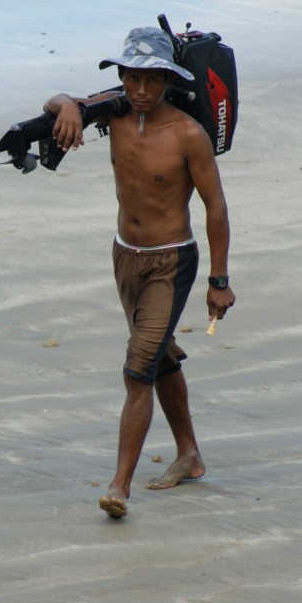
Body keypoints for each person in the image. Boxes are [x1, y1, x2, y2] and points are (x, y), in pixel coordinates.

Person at [42, 26, 236, 518]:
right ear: (122, 77)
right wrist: (67, 105)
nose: (142, 91)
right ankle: (189, 454)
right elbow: (56, 101)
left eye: (152, 80)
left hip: (172, 261)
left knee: (137, 370)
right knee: (161, 357)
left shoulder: (188, 135)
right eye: (133, 79)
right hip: (124, 255)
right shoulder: (114, 111)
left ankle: (118, 486)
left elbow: (216, 207)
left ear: (169, 79)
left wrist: (219, 280)